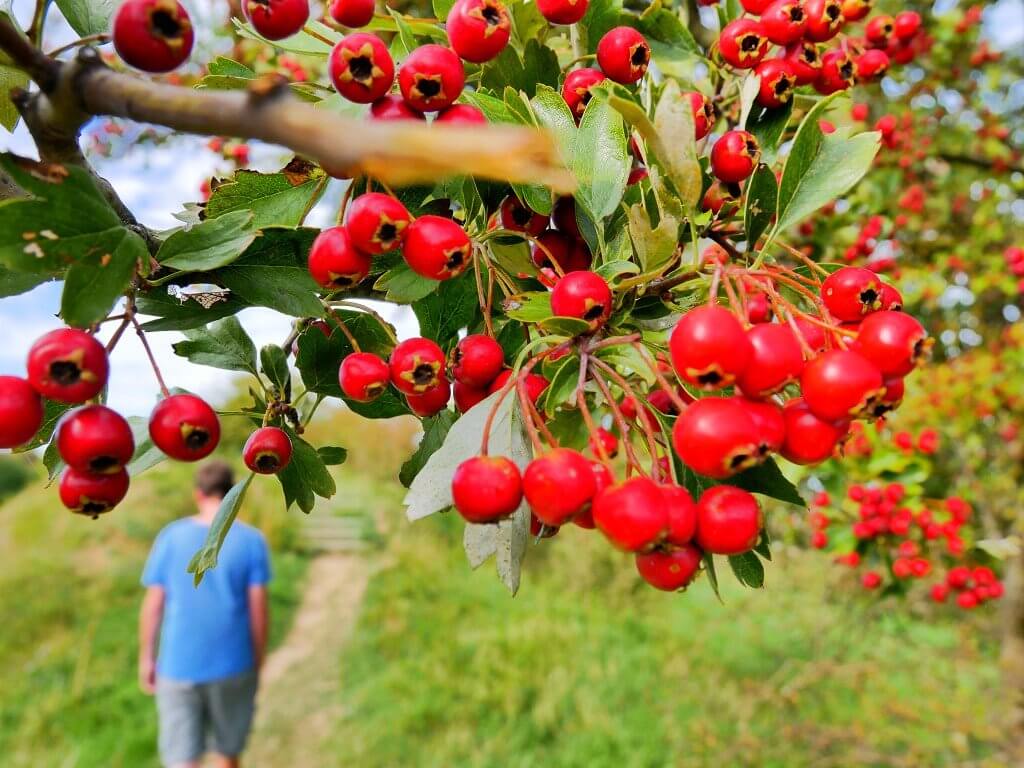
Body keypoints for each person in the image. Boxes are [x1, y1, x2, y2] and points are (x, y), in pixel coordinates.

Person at [138, 460, 271, 768]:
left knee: (182, 758)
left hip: (177, 666)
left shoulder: (170, 536)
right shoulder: (252, 540)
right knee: (227, 752)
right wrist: (259, 657)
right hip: (234, 664)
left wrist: (147, 656)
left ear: (198, 494)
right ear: (232, 495)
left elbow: (154, 603)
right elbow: (258, 608)